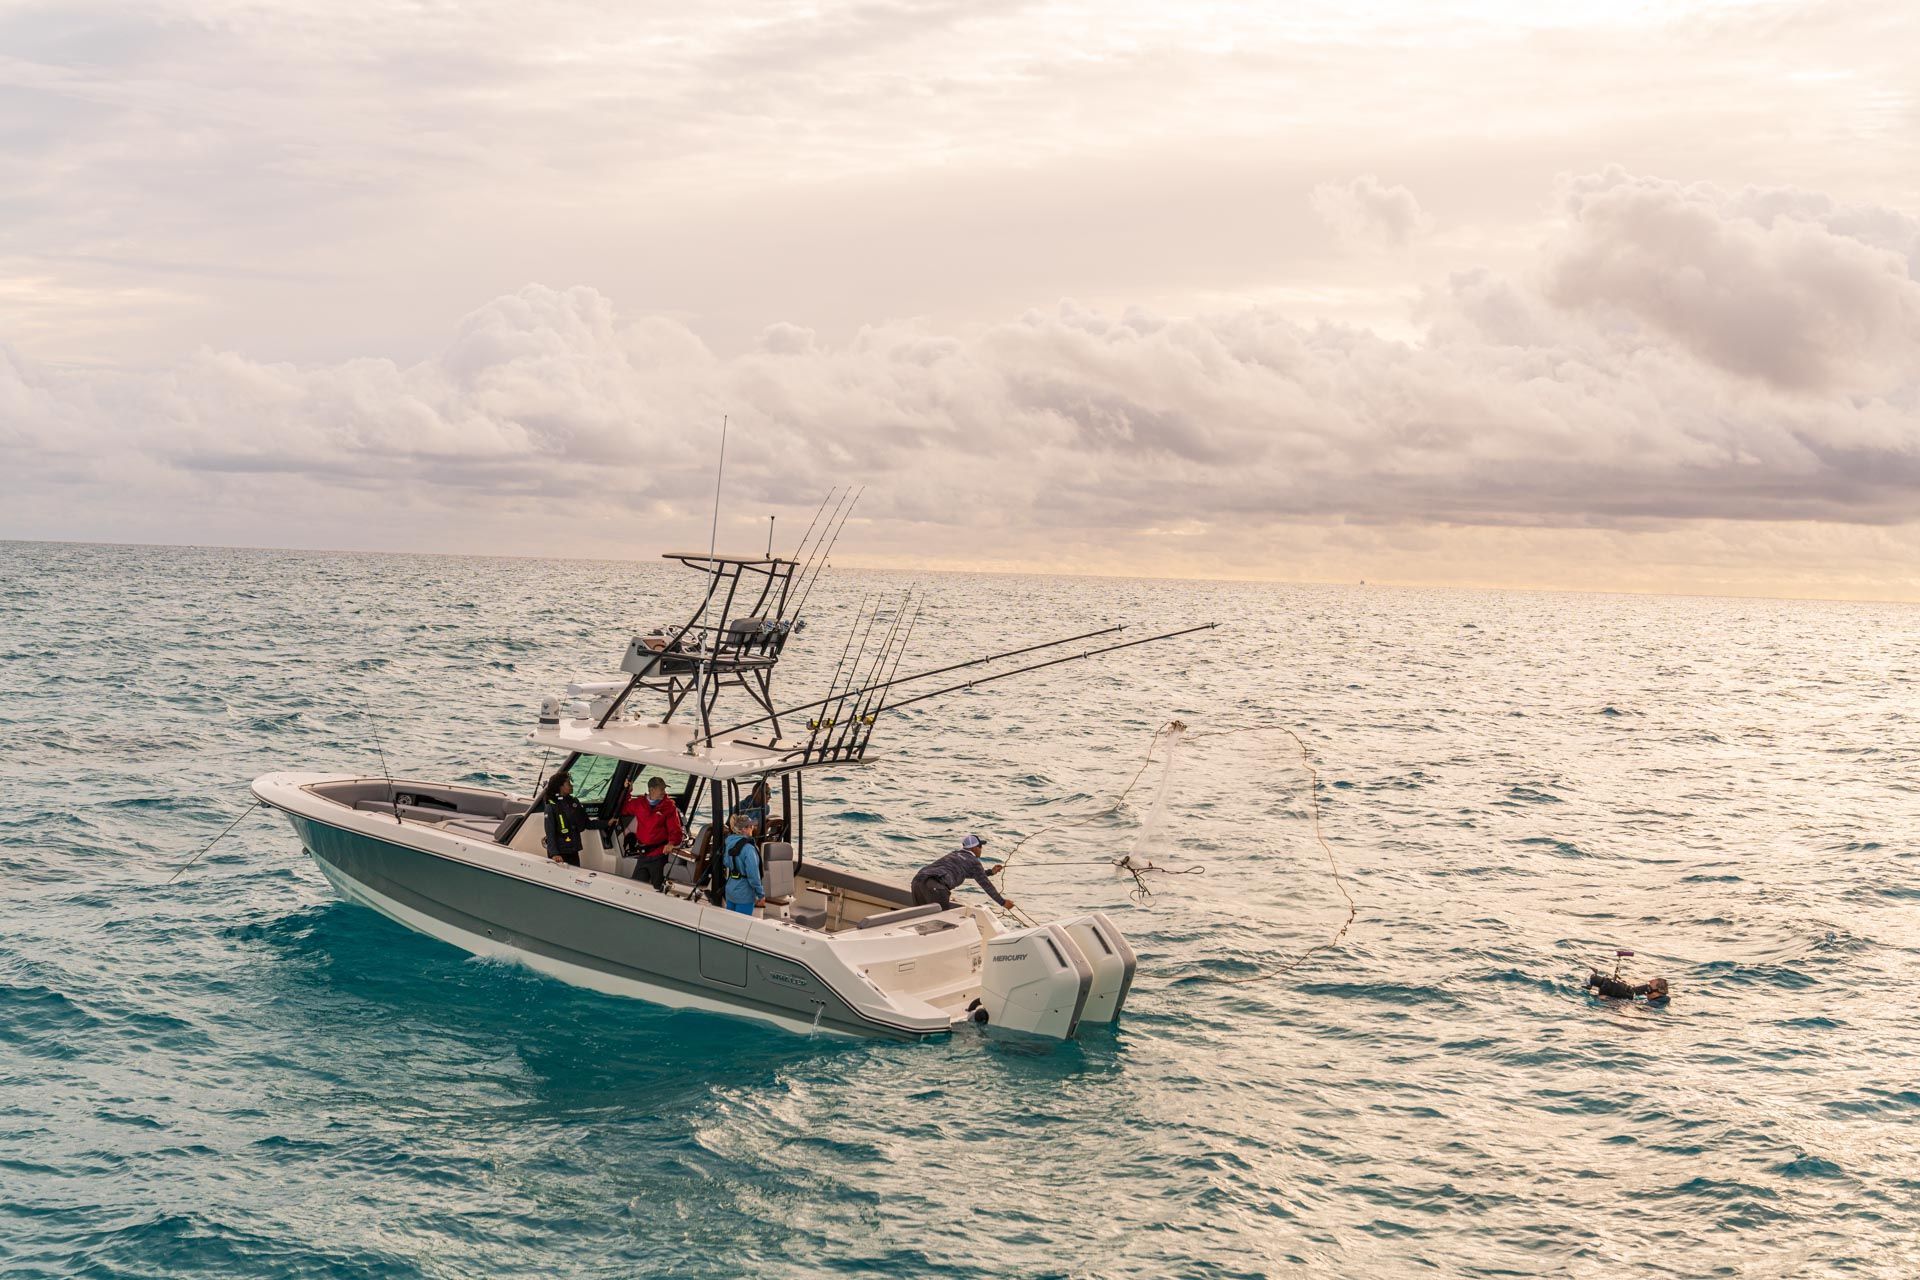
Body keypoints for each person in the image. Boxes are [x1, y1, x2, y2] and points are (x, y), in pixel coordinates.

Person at [911, 833, 1013, 912]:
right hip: (936, 887)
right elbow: (986, 885)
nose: (981, 849)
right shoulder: (974, 862)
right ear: (974, 848)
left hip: (917, 881)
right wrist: (1002, 902)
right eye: (980, 846)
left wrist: (991, 872)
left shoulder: (954, 854)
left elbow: (961, 872)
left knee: (921, 919)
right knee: (942, 924)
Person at [619, 775, 683, 890]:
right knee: (635, 887)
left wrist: (671, 843)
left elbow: (676, 830)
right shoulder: (639, 803)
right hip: (643, 854)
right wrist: (628, 791)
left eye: (664, 789)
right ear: (652, 790)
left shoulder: (669, 807)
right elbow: (623, 808)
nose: (664, 792)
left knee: (657, 889)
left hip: (659, 855)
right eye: (661, 789)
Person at [542, 772, 591, 867]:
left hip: (573, 851)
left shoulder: (574, 803)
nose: (571, 785)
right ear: (561, 787)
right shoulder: (550, 807)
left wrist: (607, 823)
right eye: (568, 783)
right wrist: (554, 854)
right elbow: (550, 832)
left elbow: (587, 823)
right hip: (559, 854)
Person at [721, 814, 764, 916]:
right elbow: (753, 876)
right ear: (744, 829)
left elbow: (726, 862)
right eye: (751, 827)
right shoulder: (749, 848)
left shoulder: (729, 843)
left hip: (731, 890)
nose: (752, 829)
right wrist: (761, 894)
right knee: (741, 926)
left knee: (731, 923)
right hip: (744, 894)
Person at [1586, 972, 1670, 1001]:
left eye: (1647, 989)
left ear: (1656, 993)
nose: (1645, 992)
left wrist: (1610, 1000)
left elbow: (1639, 1011)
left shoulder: (1656, 1005)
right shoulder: (1656, 1000)